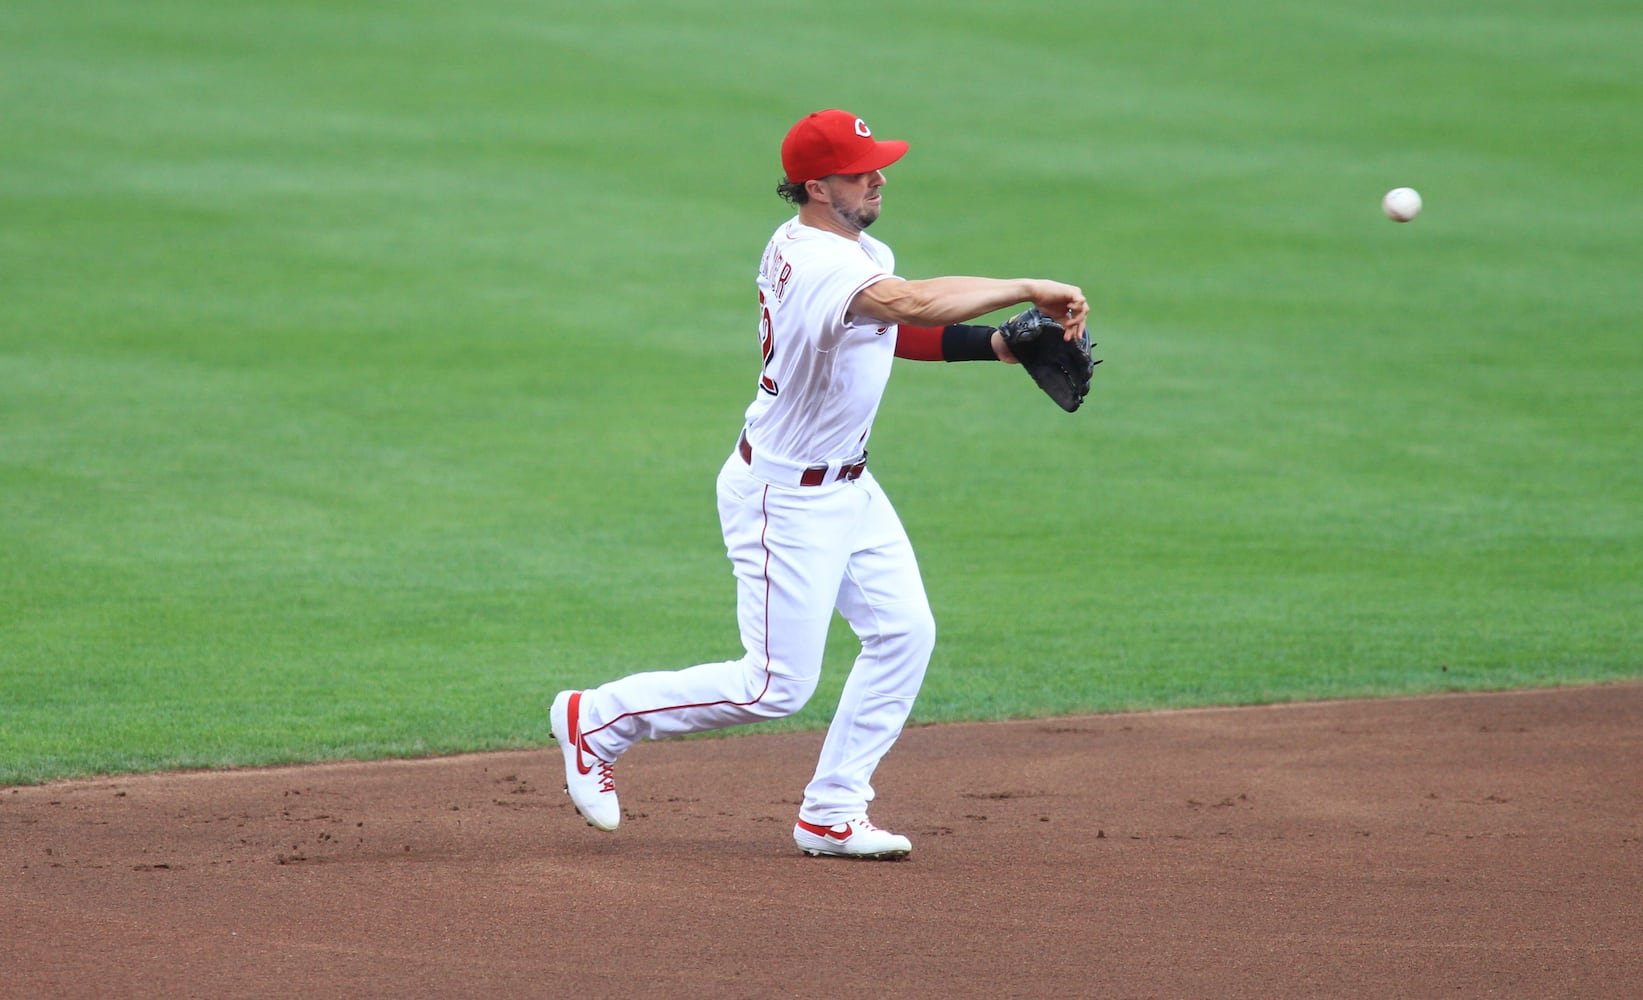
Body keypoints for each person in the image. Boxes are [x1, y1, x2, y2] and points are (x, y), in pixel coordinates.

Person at [551, 108, 1089, 859]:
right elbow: (907, 302)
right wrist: (1027, 286)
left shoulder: (854, 249)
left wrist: (993, 345)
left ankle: (832, 811)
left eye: (878, 165)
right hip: (784, 497)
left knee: (903, 634)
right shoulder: (813, 259)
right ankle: (597, 719)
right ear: (813, 186)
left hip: (849, 488)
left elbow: (891, 327)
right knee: (773, 687)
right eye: (858, 171)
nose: (878, 178)